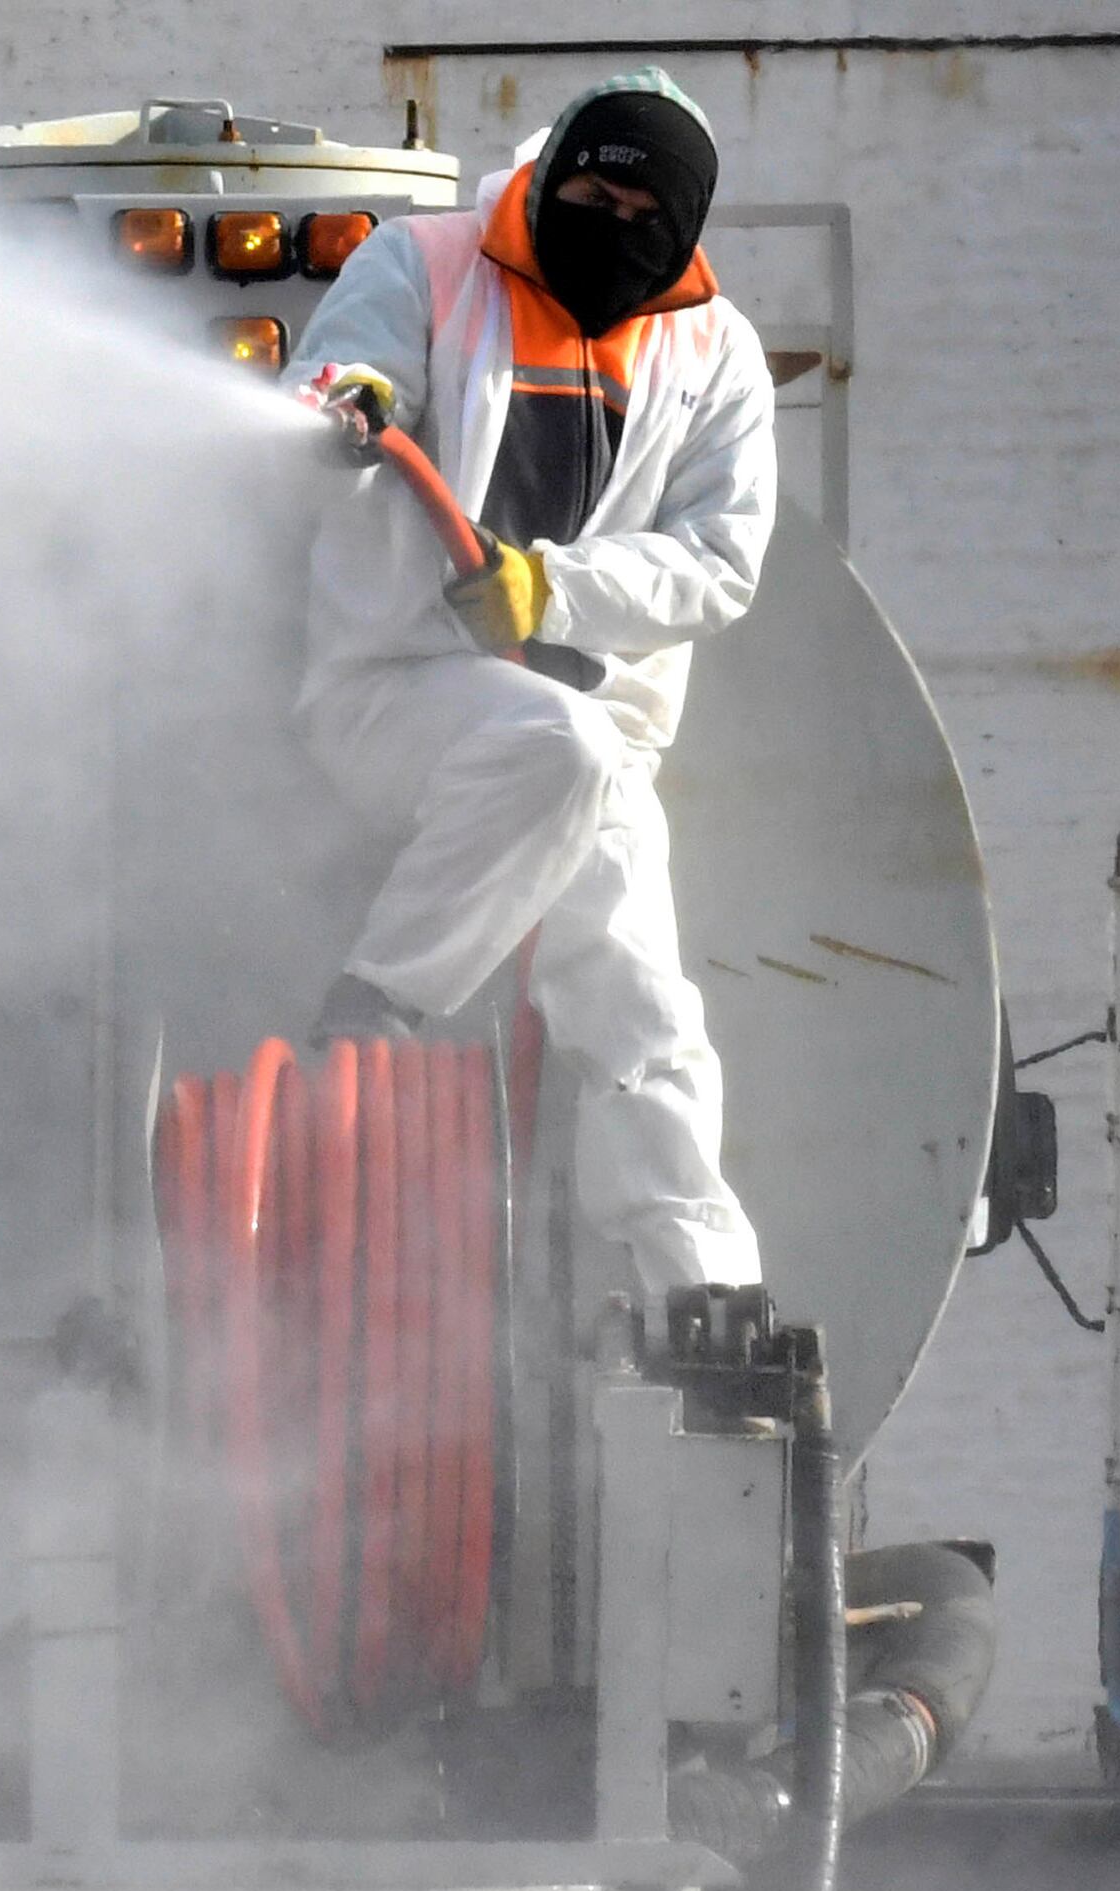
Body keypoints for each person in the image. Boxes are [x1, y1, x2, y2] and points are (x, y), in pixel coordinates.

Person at [286, 70, 776, 1301]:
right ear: (552, 168)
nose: (605, 214)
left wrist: (546, 592)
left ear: (681, 225)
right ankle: (375, 1005)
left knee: (641, 1003)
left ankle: (702, 1290)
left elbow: (720, 565)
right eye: (588, 184)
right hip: (394, 691)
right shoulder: (425, 264)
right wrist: (355, 401)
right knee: (552, 748)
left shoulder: (710, 350)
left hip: (587, 732)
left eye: (638, 204)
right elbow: (357, 376)